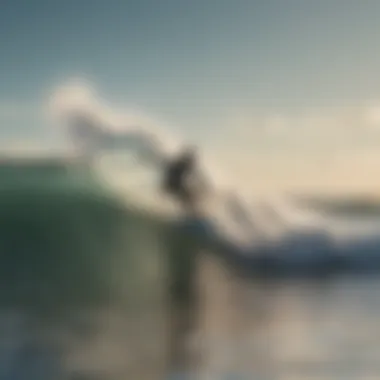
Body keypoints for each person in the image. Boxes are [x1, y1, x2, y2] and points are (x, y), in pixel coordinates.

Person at [162, 146, 204, 212]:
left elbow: (196, 177)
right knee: (188, 198)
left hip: (171, 185)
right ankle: (190, 212)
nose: (193, 163)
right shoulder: (182, 165)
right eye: (192, 161)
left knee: (190, 196)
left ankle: (189, 210)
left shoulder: (180, 164)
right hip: (172, 186)